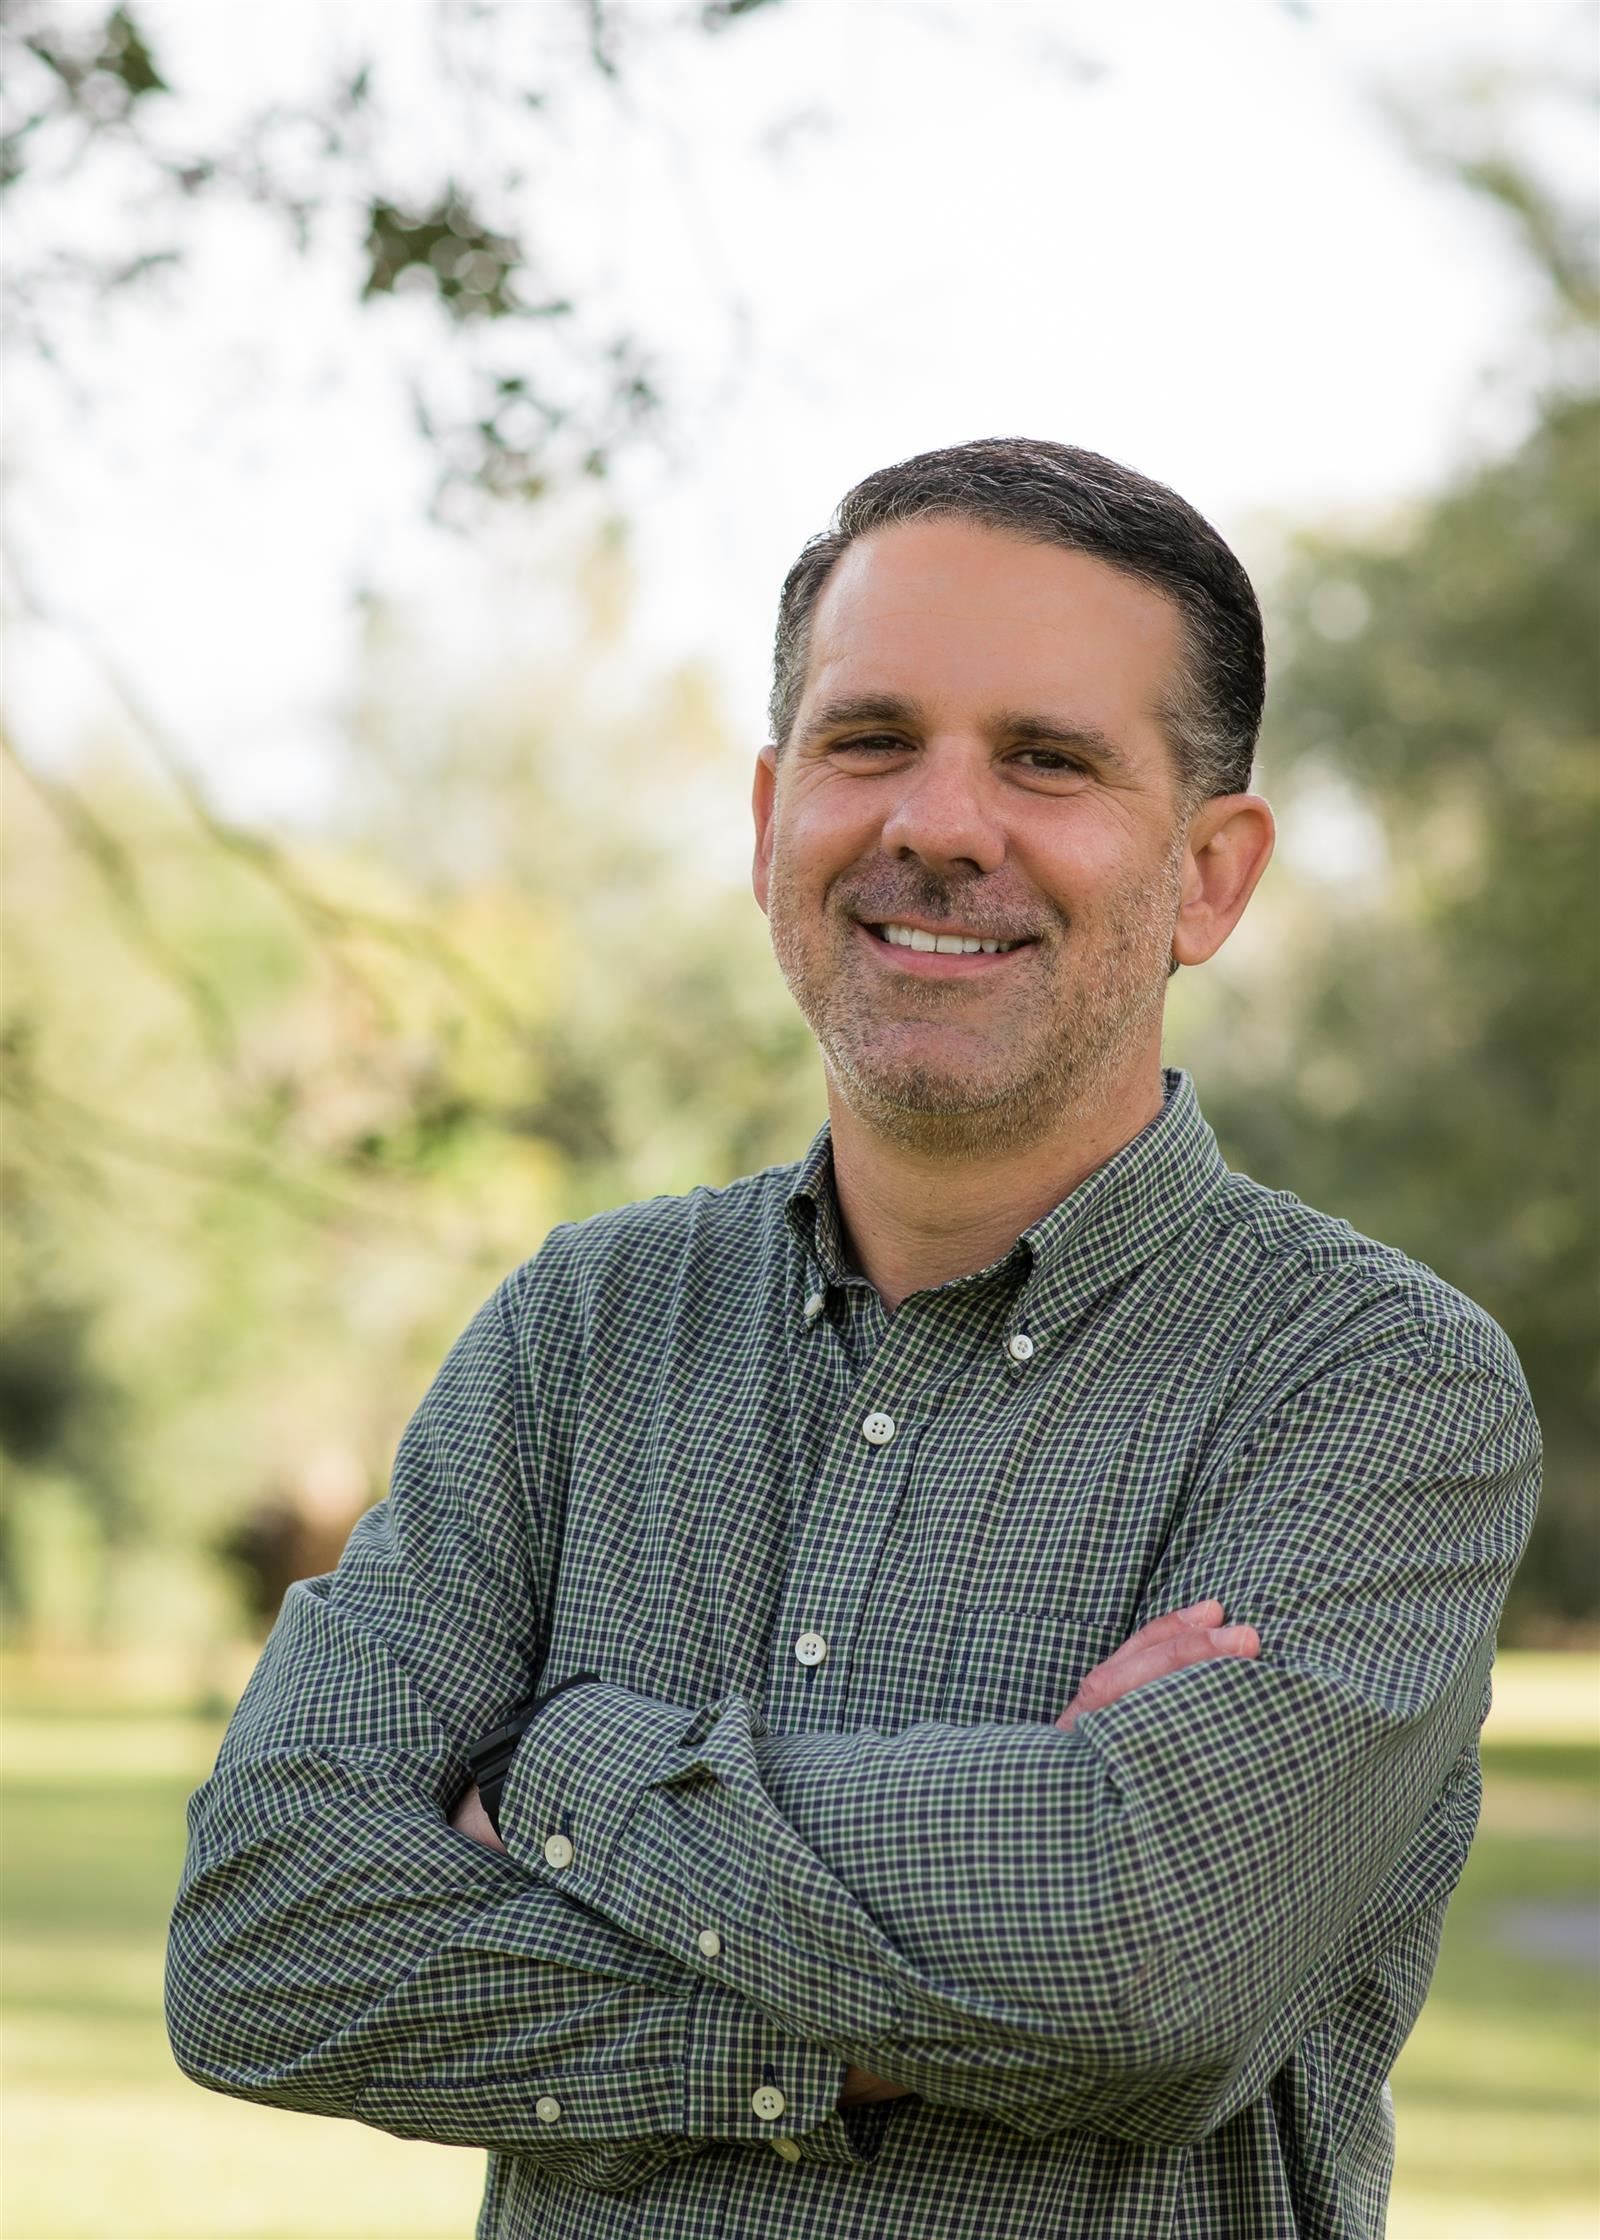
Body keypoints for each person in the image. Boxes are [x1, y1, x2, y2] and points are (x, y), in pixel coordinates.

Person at [167, 439, 1539, 2240]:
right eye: (871, 740)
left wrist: (552, 1767)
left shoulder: (1372, 1385)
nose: (940, 823)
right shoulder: (583, 1332)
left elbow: (1134, 1970)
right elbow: (267, 1939)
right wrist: (891, 2010)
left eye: (1047, 760)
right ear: (767, 821)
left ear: (1211, 876)